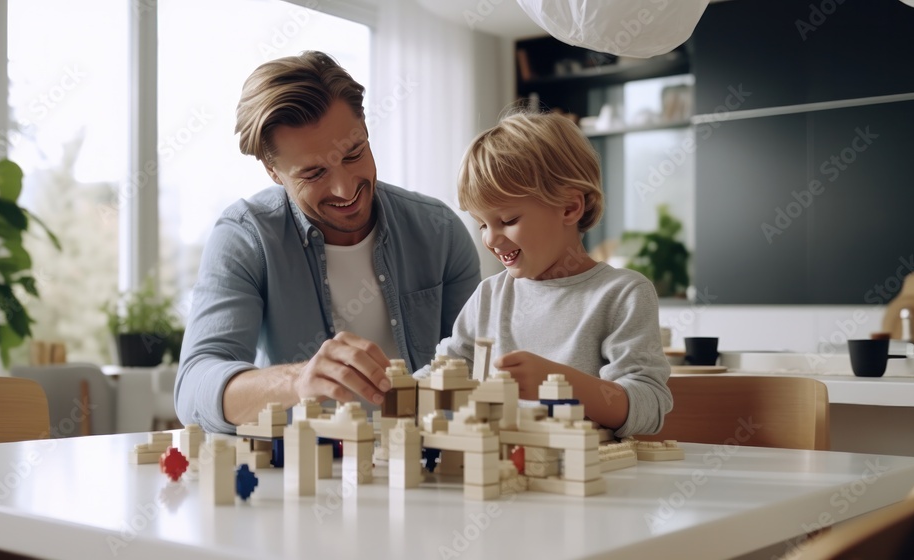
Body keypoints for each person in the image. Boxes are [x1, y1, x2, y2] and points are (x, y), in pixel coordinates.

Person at [176, 51, 481, 433]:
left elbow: (476, 368)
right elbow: (194, 388)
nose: (345, 187)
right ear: (273, 171)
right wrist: (297, 381)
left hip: (421, 466)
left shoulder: (439, 230)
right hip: (304, 474)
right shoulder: (245, 237)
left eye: (354, 153)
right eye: (314, 173)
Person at [416, 111, 672, 437]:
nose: (491, 239)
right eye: (483, 224)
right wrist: (390, 390)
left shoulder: (622, 294)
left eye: (507, 220)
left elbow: (648, 405)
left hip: (588, 479)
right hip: (501, 473)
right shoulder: (489, 296)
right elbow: (446, 371)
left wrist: (560, 384)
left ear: (569, 208)